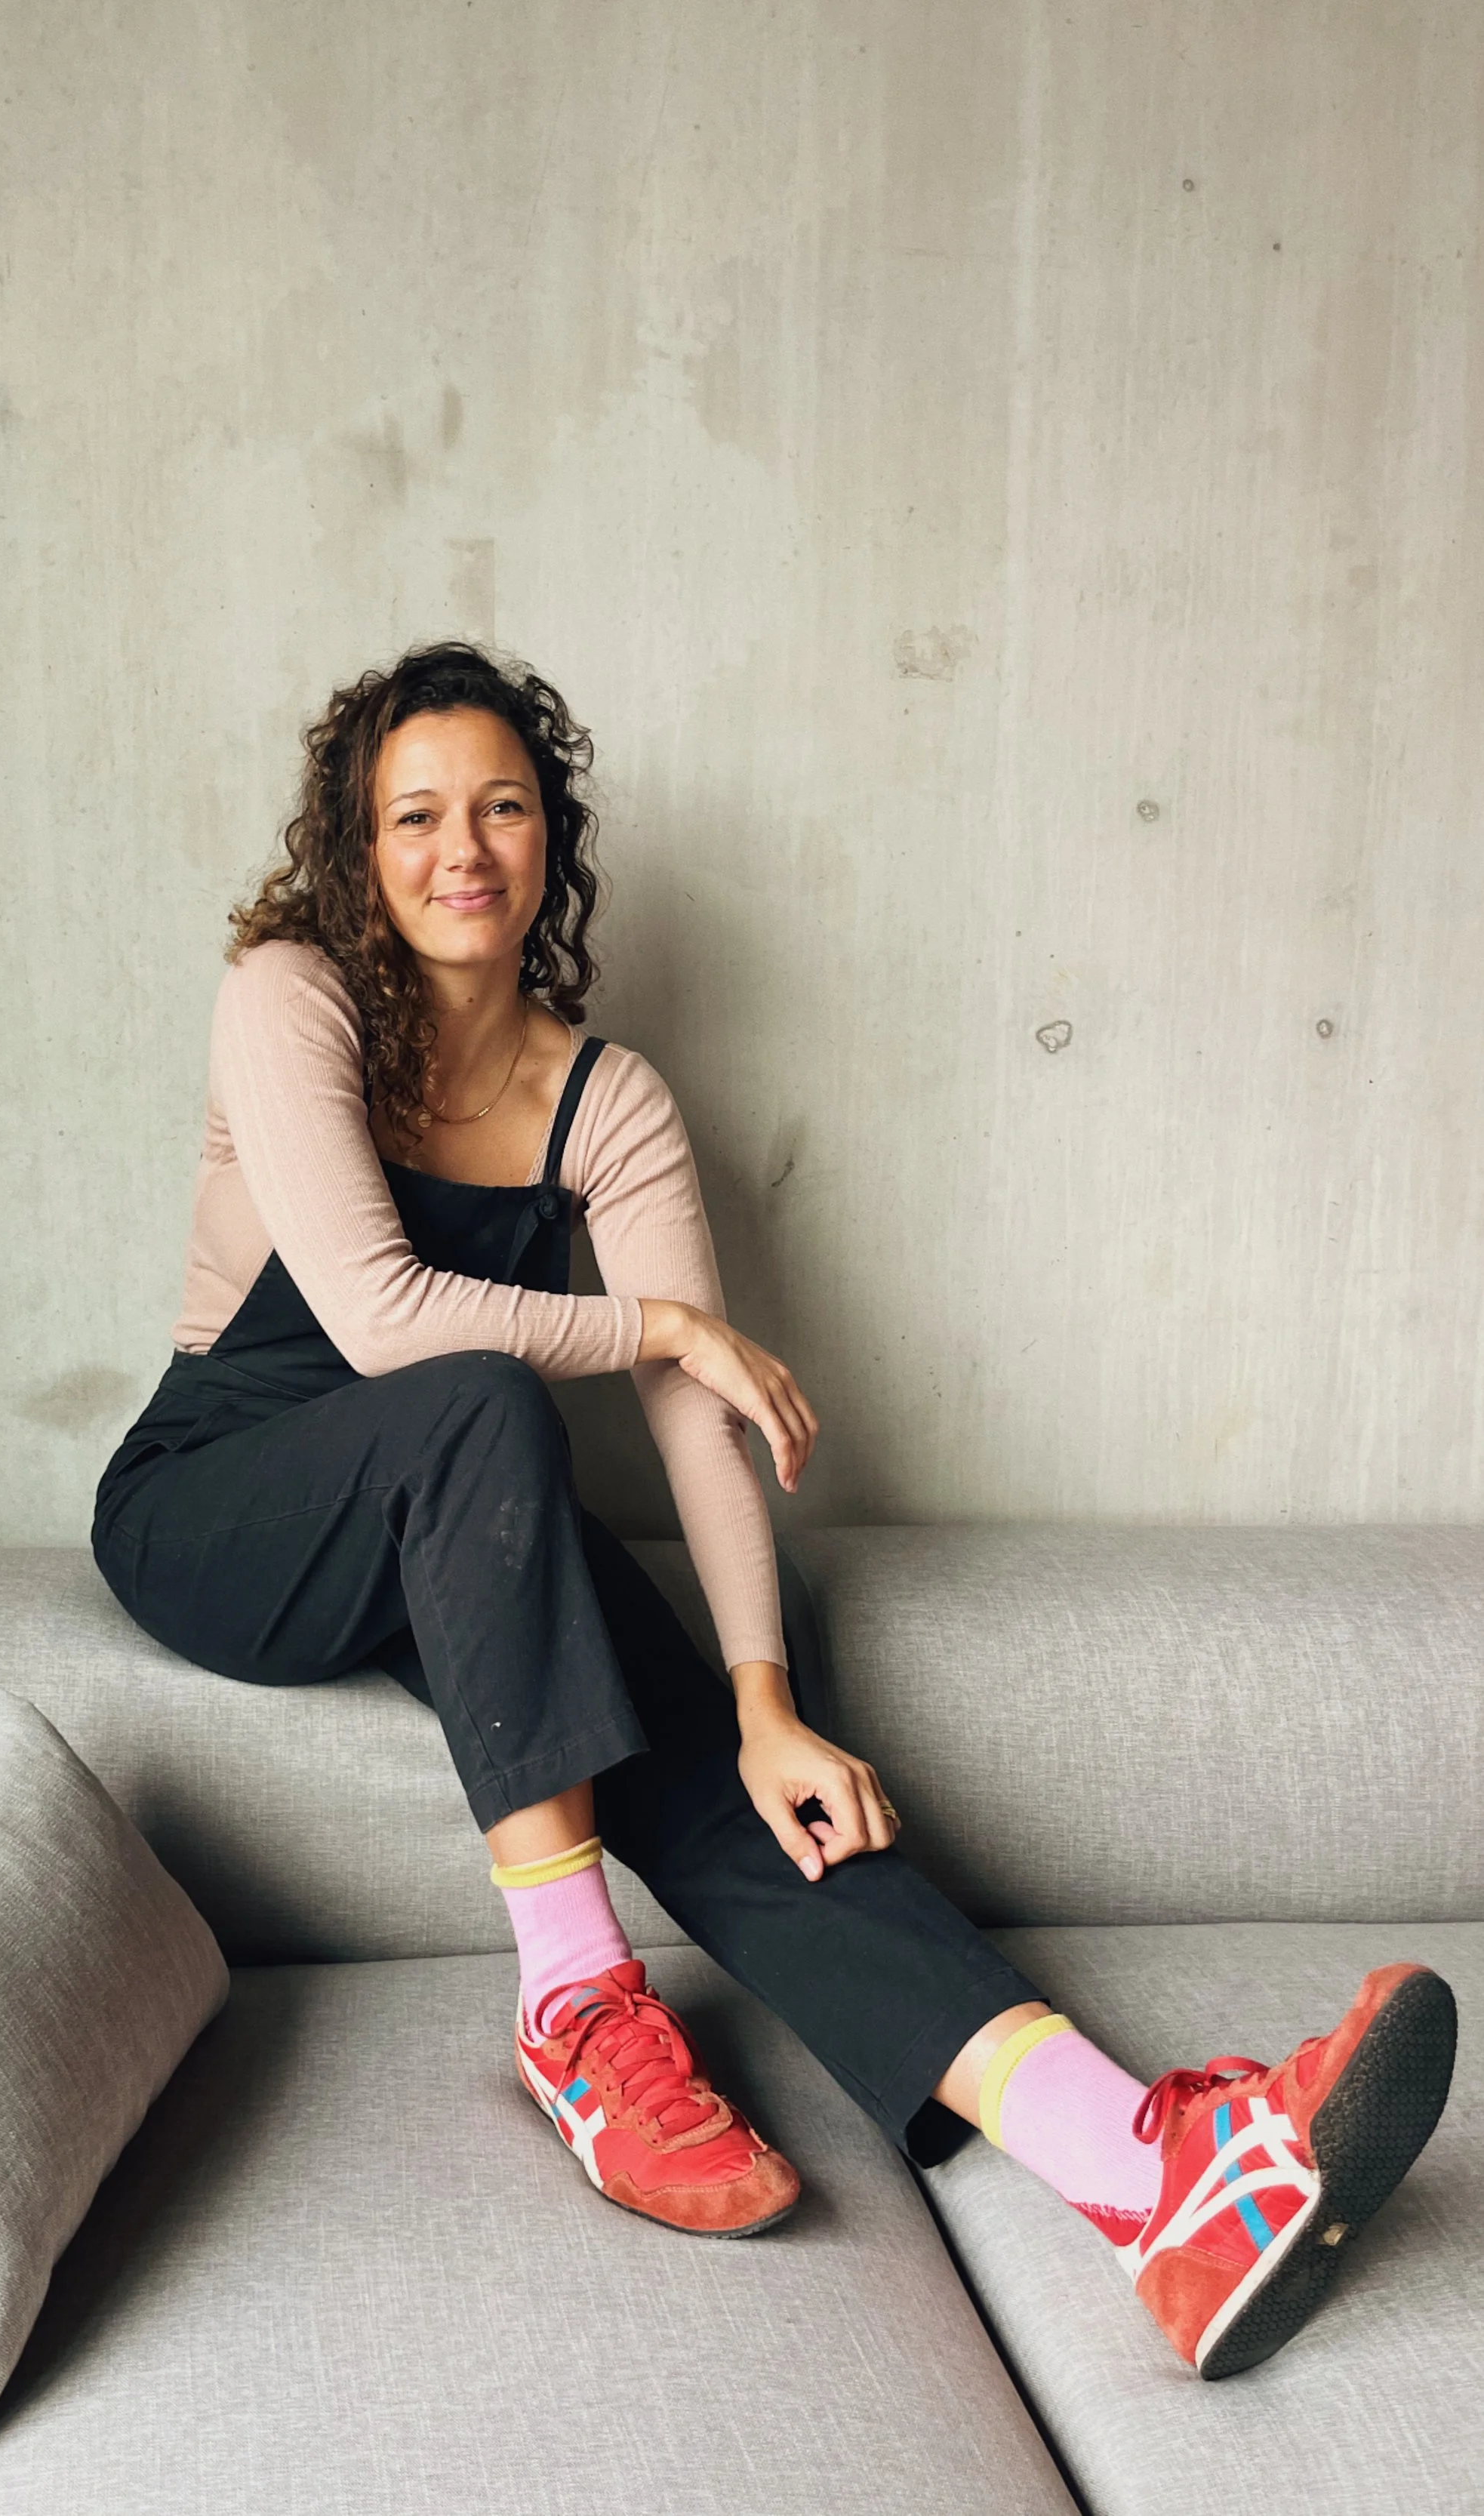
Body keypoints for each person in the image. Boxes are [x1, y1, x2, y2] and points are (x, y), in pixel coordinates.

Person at [93, 640, 1455, 2379]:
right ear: (357, 849)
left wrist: (759, 1698)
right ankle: (574, 2008)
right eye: (413, 814)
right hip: (223, 1499)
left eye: (501, 807)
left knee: (738, 1786)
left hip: (465, 1502)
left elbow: (694, 1414)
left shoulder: (611, 1100)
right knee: (476, 1401)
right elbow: (381, 1317)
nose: (461, 848)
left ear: (549, 840)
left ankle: (1153, 2181)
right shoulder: (288, 996)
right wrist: (655, 1319)